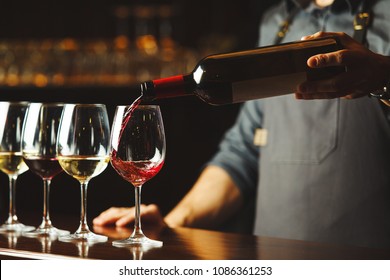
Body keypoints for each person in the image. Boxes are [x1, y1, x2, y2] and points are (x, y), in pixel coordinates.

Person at [94, 0, 390, 248]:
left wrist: (383, 76)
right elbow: (244, 152)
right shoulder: (277, 22)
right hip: (271, 259)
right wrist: (170, 223)